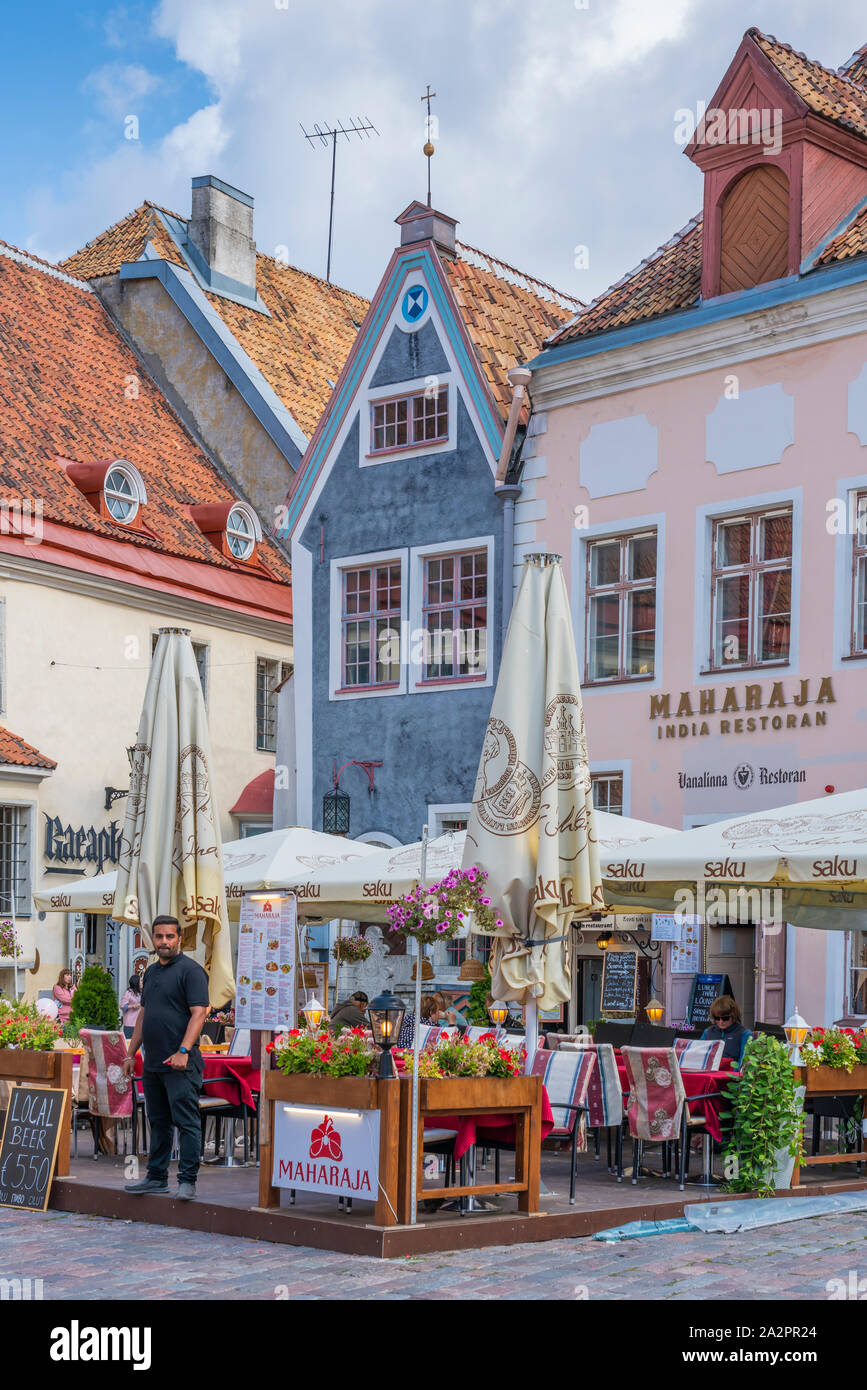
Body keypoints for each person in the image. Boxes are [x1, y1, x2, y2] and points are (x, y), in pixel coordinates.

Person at [122, 916, 209, 1201]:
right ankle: (157, 1177)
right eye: (159, 937)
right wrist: (130, 1053)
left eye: (170, 937)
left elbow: (200, 1013)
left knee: (186, 1122)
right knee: (158, 1121)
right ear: (153, 940)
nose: (164, 942)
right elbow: (144, 1015)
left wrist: (184, 1050)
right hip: (154, 1062)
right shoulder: (151, 973)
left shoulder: (191, 971)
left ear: (179, 939)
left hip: (181, 1062)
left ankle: (188, 1180)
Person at [702, 995, 751, 1066]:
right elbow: (699, 1057)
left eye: (725, 1018)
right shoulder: (708, 1032)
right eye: (717, 1018)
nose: (721, 1021)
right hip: (709, 1073)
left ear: (734, 1016)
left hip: (731, 1075)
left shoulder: (744, 1034)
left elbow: (744, 1063)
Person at [120, 973, 143, 1040]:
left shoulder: (141, 993)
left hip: (139, 1023)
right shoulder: (128, 993)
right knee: (129, 1043)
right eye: (141, 981)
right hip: (130, 1024)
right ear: (136, 982)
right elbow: (122, 1006)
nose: (142, 982)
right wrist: (133, 1006)